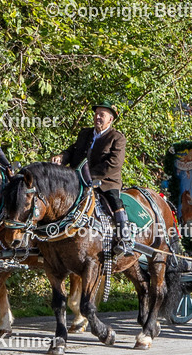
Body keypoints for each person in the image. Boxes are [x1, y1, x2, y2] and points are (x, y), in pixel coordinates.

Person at [51, 100, 132, 256]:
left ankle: (124, 238)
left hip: (106, 182)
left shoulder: (117, 138)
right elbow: (72, 151)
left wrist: (86, 176)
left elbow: (113, 164)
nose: (97, 117)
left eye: (102, 115)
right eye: (96, 114)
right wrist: (61, 157)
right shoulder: (85, 133)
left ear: (110, 119)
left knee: (115, 201)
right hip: (76, 180)